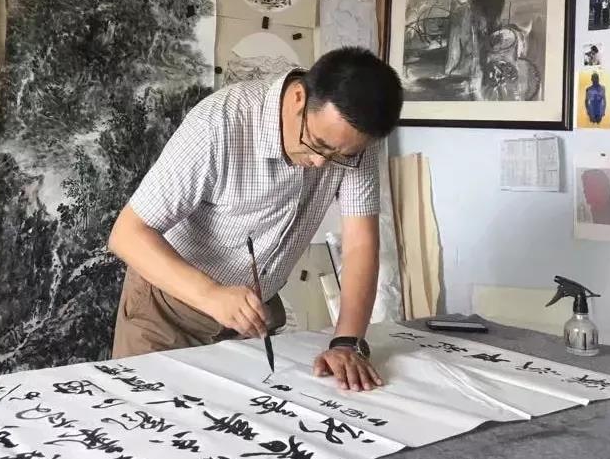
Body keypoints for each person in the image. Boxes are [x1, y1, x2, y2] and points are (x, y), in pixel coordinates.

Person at [108, 48, 403, 392]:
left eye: (340, 155)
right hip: (165, 312)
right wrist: (211, 295)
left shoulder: (350, 144)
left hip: (249, 320)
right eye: (317, 144)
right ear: (298, 98)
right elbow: (127, 234)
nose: (322, 163)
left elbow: (360, 244)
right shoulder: (220, 124)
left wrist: (347, 342)